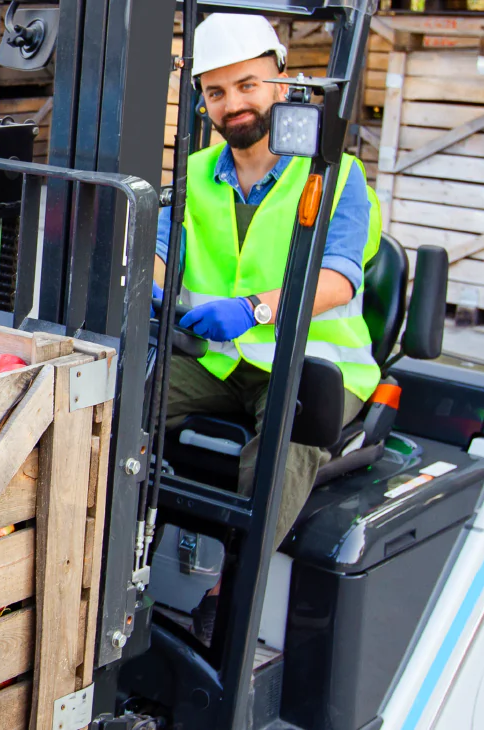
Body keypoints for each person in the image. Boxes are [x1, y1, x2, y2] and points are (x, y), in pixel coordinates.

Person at [156, 13, 382, 552]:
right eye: (216, 91)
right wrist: (153, 292)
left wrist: (255, 308)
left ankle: (230, 599)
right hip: (216, 360)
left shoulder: (337, 175)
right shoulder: (193, 175)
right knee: (109, 392)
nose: (232, 103)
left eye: (247, 84)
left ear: (282, 81)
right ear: (202, 102)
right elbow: (162, 251)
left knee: (286, 431)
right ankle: (111, 561)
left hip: (312, 367)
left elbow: (339, 278)